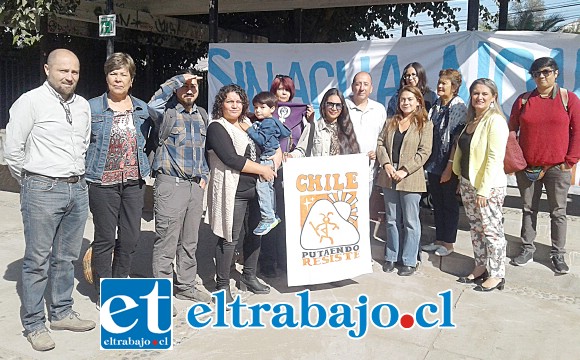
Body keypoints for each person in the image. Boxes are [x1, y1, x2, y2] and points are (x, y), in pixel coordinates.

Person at [4, 49, 95, 351]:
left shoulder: (82, 105)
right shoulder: (30, 102)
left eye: (75, 72)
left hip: (77, 189)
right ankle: (34, 324)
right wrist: (33, 182)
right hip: (42, 189)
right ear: (47, 70)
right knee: (37, 261)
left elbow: (82, 144)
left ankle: (61, 312)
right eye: (63, 71)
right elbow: (13, 152)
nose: (69, 77)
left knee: (66, 257)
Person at [85, 53, 152, 296]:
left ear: (131, 80)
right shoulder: (91, 106)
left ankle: (120, 279)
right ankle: (105, 291)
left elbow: (155, 138)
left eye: (124, 74)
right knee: (104, 238)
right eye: (113, 73)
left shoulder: (142, 108)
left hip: (134, 182)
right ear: (106, 78)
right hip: (102, 183)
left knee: (131, 237)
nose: (118, 79)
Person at [509, 57, 580, 274]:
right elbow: (511, 131)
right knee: (528, 209)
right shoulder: (523, 101)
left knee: (558, 212)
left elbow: (577, 131)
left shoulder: (569, 99)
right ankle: (527, 248)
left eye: (546, 72)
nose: (541, 76)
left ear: (556, 73)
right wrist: (516, 160)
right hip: (528, 168)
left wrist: (570, 161)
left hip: (558, 168)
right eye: (536, 73)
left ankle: (558, 254)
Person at [205, 84, 276, 302]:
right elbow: (231, 159)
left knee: (256, 234)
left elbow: (269, 144)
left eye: (238, 101)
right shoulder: (217, 127)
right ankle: (222, 285)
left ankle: (249, 276)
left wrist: (277, 157)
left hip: (256, 190)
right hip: (232, 190)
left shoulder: (250, 125)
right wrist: (263, 169)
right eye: (229, 101)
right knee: (229, 238)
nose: (234, 105)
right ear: (221, 104)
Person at [148, 70, 211, 304]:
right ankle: (162, 295)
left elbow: (205, 149)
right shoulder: (166, 113)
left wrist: (205, 174)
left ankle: (186, 285)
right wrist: (178, 79)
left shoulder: (202, 115)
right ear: (176, 89)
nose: (190, 90)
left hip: (195, 186)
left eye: (193, 86)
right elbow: (152, 104)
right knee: (166, 240)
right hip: (170, 184)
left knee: (189, 241)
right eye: (185, 86)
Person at [453, 78, 509, 291]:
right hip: (468, 184)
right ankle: (480, 266)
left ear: (493, 97)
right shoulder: (472, 120)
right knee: (476, 230)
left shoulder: (495, 121)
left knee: (492, 231)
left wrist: (484, 190)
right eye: (476, 93)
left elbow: (494, 159)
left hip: (488, 188)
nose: (480, 97)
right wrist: (461, 179)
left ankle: (496, 274)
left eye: (485, 94)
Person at [259, 74, 314, 278]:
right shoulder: (264, 113)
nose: (283, 93)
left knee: (286, 217)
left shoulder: (301, 114)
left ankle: (284, 259)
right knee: (268, 215)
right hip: (267, 169)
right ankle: (267, 261)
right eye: (279, 89)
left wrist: (310, 120)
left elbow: (306, 142)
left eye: (286, 89)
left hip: (289, 171)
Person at [377, 85, 433, 276]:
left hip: (411, 178)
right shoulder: (391, 121)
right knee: (392, 219)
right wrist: (386, 164)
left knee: (410, 221)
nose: (406, 102)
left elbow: (424, 152)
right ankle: (391, 256)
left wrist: (404, 170)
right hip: (389, 175)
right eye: (403, 99)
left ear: (418, 101)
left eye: (410, 99)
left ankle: (409, 260)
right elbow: (380, 143)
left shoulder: (425, 124)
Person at [422, 69, 468, 257]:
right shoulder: (437, 105)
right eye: (439, 82)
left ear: (455, 87)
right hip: (434, 163)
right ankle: (439, 239)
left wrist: (449, 167)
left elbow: (456, 141)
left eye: (445, 83)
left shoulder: (458, 106)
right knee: (437, 203)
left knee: (449, 204)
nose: (440, 86)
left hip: (448, 164)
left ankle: (448, 243)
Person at [246, 91, 291, 236]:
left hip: (267, 159)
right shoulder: (272, 121)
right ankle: (272, 214)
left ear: (272, 108)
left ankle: (267, 217)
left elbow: (261, 140)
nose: (258, 110)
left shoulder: (268, 123)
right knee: (269, 188)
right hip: (271, 158)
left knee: (263, 188)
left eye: (262, 107)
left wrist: (249, 130)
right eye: (256, 107)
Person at [345, 71, 387, 192]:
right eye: (358, 84)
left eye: (365, 84)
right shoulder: (342, 106)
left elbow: (382, 139)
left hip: (369, 172)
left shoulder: (379, 109)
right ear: (352, 87)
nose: (362, 88)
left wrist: (377, 154)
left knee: (364, 208)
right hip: (344, 171)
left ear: (371, 88)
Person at [288, 88, 360, 158]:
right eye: (330, 104)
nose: (334, 108)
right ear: (324, 105)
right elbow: (301, 151)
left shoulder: (347, 128)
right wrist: (290, 156)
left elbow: (355, 156)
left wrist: (367, 157)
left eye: (338, 105)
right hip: (319, 170)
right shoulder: (313, 126)